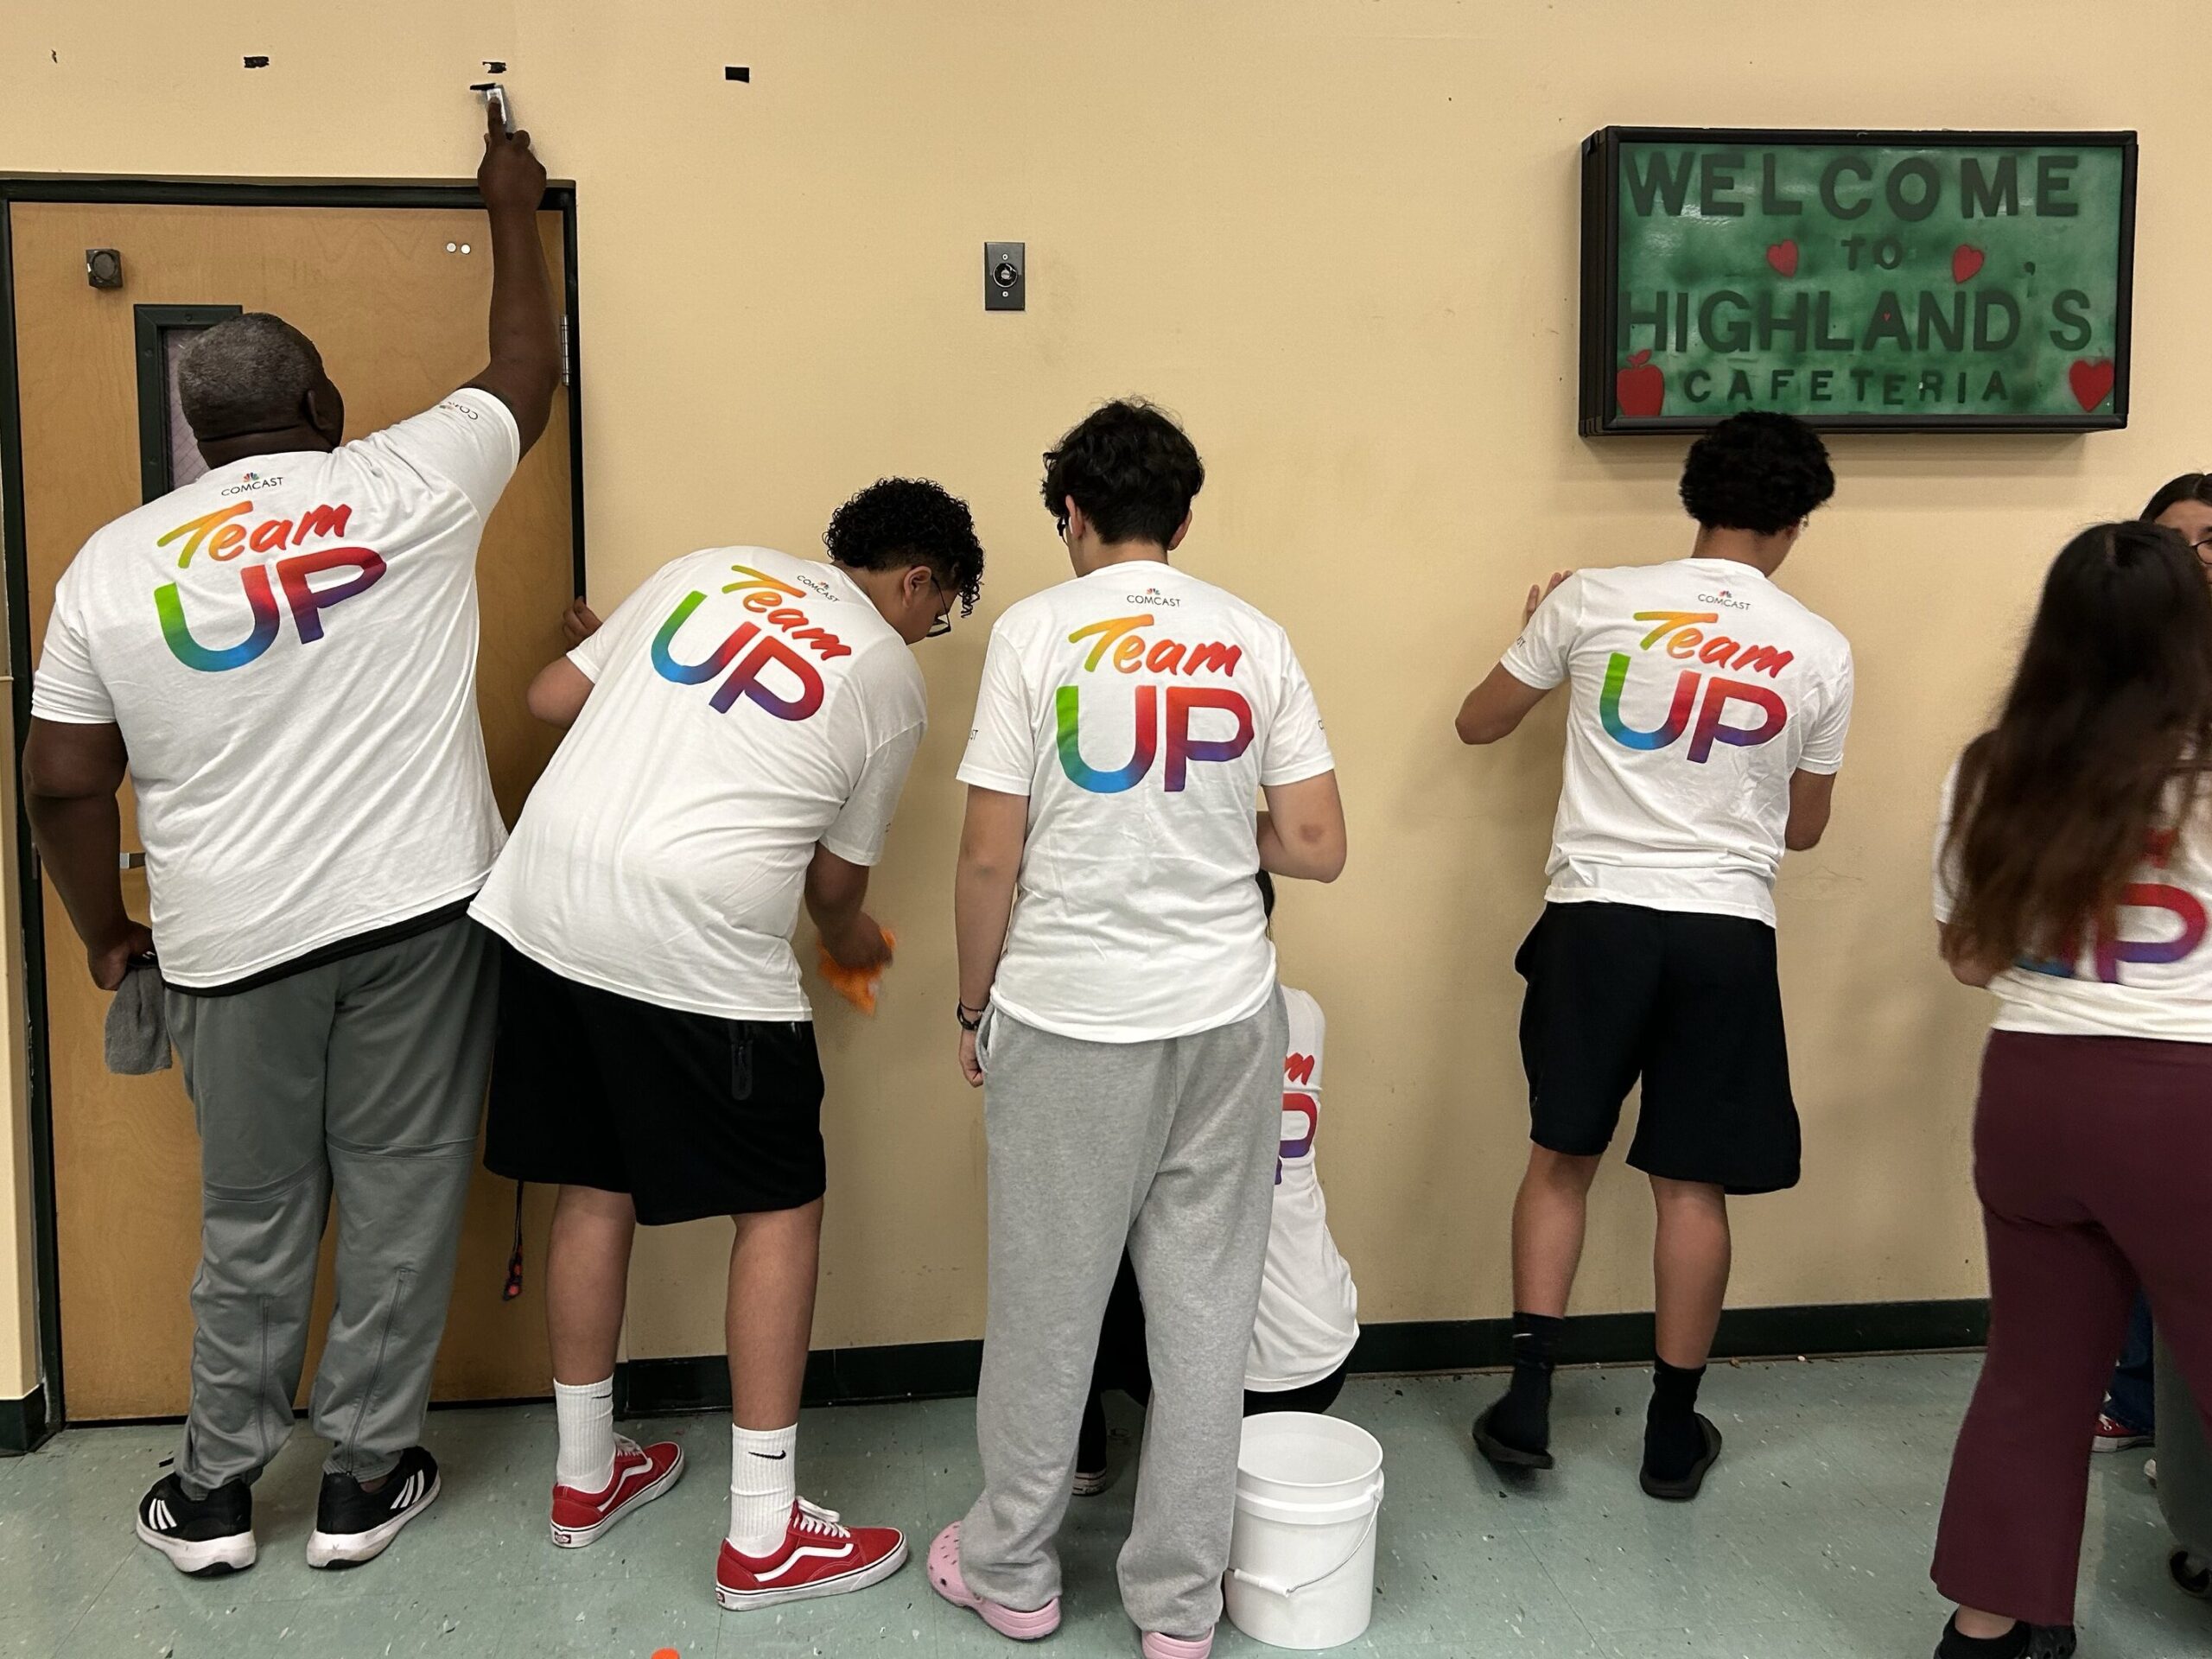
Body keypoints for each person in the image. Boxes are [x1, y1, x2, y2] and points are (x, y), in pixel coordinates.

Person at [22, 106, 559, 1576]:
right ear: (324, 408)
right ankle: (364, 1481)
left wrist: (101, 932)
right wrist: (509, 205)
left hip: (229, 945)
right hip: (417, 924)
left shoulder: (112, 567)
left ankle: (210, 1500)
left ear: (198, 434)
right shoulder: (405, 482)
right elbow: (527, 370)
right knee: (399, 1200)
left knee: (255, 1217)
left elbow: (62, 780)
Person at [469, 480, 984, 1611]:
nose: (927, 634)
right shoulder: (885, 674)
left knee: (595, 1185)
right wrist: (859, 947)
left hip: (543, 907)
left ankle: (584, 1477)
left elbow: (550, 695)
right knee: (781, 1207)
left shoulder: (701, 571)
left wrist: (636, 685)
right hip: (690, 945)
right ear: (918, 582)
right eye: (938, 613)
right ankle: (763, 1535)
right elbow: (834, 888)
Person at [930, 400, 1346, 1659]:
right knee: (1208, 1314)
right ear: (1183, 517)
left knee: (1051, 1306)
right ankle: (1178, 1607)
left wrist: (971, 1003)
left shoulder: (1036, 632)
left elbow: (988, 853)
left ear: (1071, 513)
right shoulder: (1254, 634)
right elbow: (1319, 844)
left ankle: (1013, 1572)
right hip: (1229, 1015)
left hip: (1072, 1016)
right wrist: (1225, 840)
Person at [1453, 410, 1852, 1501]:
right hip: (1726, 932)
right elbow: (1803, 830)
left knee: (1560, 1157)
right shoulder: (1819, 649)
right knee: (1691, 1187)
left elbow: (1477, 723)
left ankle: (1527, 1401)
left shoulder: (1594, 600)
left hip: (1597, 922)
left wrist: (1538, 633)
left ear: (1693, 500)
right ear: (1796, 523)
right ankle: (1671, 1434)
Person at [1928, 518, 2212, 1659]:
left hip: (2033, 1094)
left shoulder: (1994, 767)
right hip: (2186, 1099)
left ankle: (1990, 1628)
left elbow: (1969, 959)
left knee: (2036, 1374)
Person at [1075, 871, 1359, 1494]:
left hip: (1233, 1383)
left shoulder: (1165, 1034)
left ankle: (1083, 1452)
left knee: (1088, 1234)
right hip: (1327, 1349)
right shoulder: (1304, 1012)